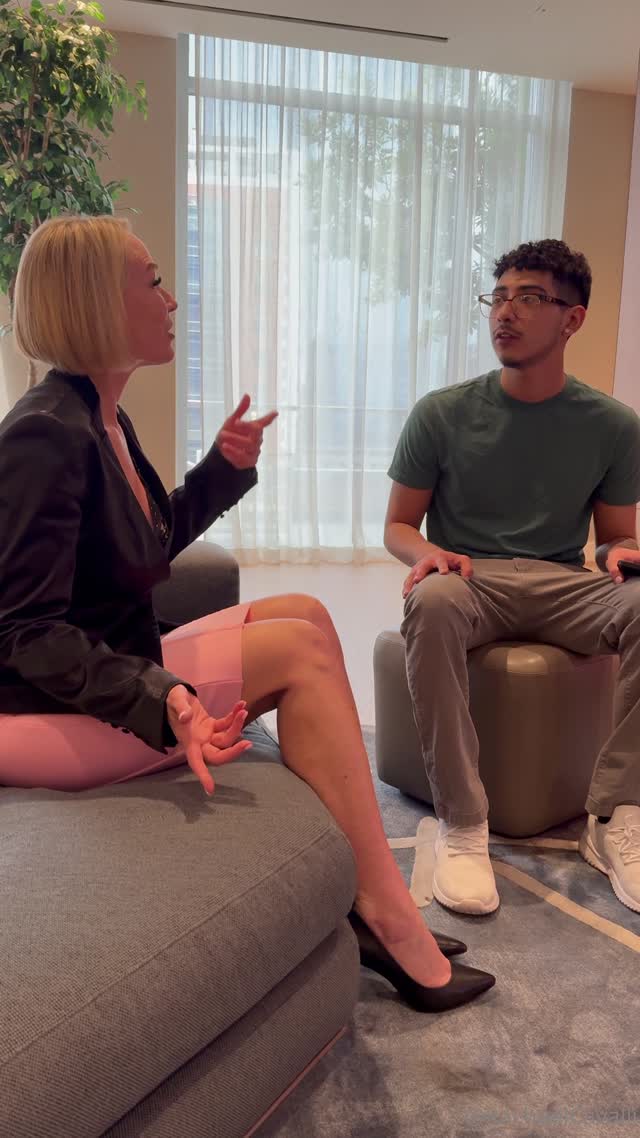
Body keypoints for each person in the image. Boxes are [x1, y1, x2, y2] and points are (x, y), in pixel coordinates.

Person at [0, 214, 494, 1013]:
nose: (170, 300)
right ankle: (386, 914)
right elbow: (24, 633)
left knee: (303, 612)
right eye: (153, 282)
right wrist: (161, 695)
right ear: (97, 302)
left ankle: (365, 890)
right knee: (298, 654)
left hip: (98, 670)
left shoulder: (100, 416)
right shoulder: (42, 435)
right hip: (38, 713)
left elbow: (141, 548)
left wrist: (220, 472)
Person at [385, 238, 640, 918]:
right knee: (431, 601)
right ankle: (463, 823)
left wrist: (623, 553)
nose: (506, 312)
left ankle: (616, 816)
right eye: (498, 297)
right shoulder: (441, 413)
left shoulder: (614, 426)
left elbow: (616, 537)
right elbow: (399, 526)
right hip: (470, 577)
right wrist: (425, 555)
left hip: (562, 581)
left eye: (529, 298)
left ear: (572, 319)